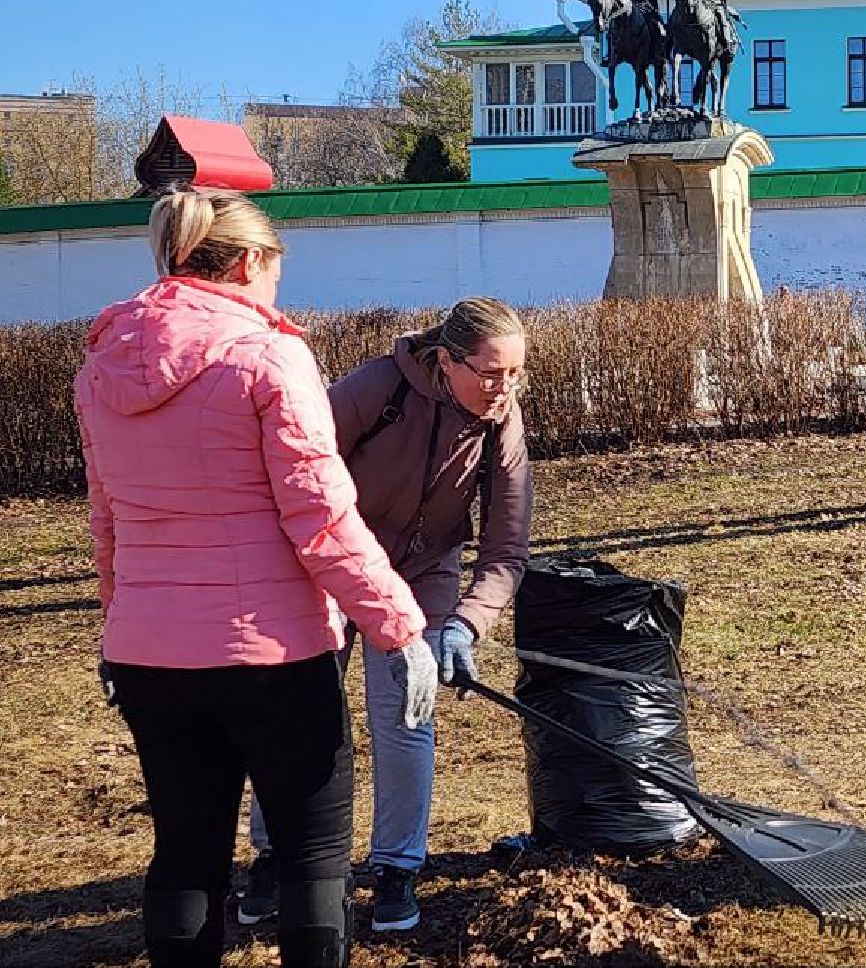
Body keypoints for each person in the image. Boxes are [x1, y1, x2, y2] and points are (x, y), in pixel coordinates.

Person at [78, 188, 435, 968]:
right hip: (273, 662)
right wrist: (398, 628)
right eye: (276, 267)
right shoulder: (270, 353)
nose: (278, 284)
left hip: (150, 657)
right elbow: (322, 517)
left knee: (184, 856)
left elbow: (106, 521)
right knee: (312, 859)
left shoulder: (102, 357)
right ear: (248, 262)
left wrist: (117, 626)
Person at [240, 297, 533, 934]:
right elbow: (294, 469)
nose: (502, 389)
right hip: (328, 571)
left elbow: (506, 548)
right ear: (446, 359)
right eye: (489, 372)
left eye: (515, 374)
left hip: (424, 575)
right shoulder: (374, 390)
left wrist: (467, 622)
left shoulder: (500, 422)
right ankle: (274, 855)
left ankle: (397, 867)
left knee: (407, 712)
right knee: (302, 715)